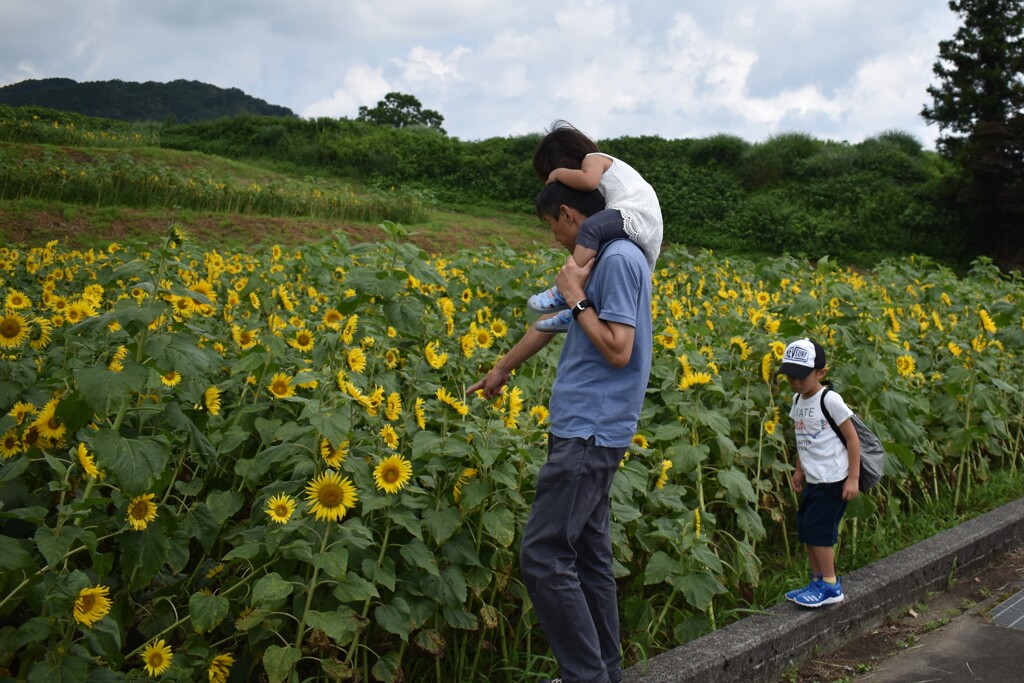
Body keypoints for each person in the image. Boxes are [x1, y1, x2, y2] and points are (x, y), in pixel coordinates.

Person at [467, 182, 653, 683]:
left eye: (554, 229)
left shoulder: (614, 261)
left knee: (543, 554)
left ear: (569, 214)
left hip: (590, 430)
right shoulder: (605, 258)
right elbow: (554, 322)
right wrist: (502, 368)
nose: (555, 241)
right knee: (589, 553)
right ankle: (605, 673)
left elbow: (618, 348)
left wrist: (574, 300)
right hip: (587, 427)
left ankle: (585, 677)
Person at [528, 120, 662, 333]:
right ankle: (574, 309)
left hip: (637, 215)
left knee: (590, 228)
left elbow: (588, 181)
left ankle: (565, 290)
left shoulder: (594, 160)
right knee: (595, 252)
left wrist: (558, 174)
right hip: (644, 226)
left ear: (564, 163)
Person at [778, 338, 861, 608]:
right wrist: (799, 469)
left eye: (801, 376)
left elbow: (852, 440)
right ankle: (816, 581)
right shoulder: (797, 400)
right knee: (806, 529)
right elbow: (802, 437)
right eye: (790, 375)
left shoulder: (830, 400)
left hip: (833, 479)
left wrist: (853, 478)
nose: (795, 382)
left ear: (821, 373)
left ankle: (830, 584)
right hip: (813, 477)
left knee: (820, 532)